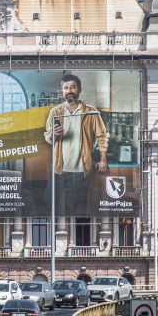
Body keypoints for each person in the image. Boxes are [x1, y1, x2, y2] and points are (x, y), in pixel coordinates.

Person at [44, 73, 109, 215]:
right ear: (62, 91)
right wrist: (53, 135)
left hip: (80, 169)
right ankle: (57, 231)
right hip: (58, 168)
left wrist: (102, 160)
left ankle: (72, 234)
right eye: (66, 88)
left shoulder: (91, 112)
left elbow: (102, 135)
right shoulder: (55, 112)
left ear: (79, 89)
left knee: (76, 208)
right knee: (49, 202)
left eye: (73, 87)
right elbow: (48, 138)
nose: (69, 90)